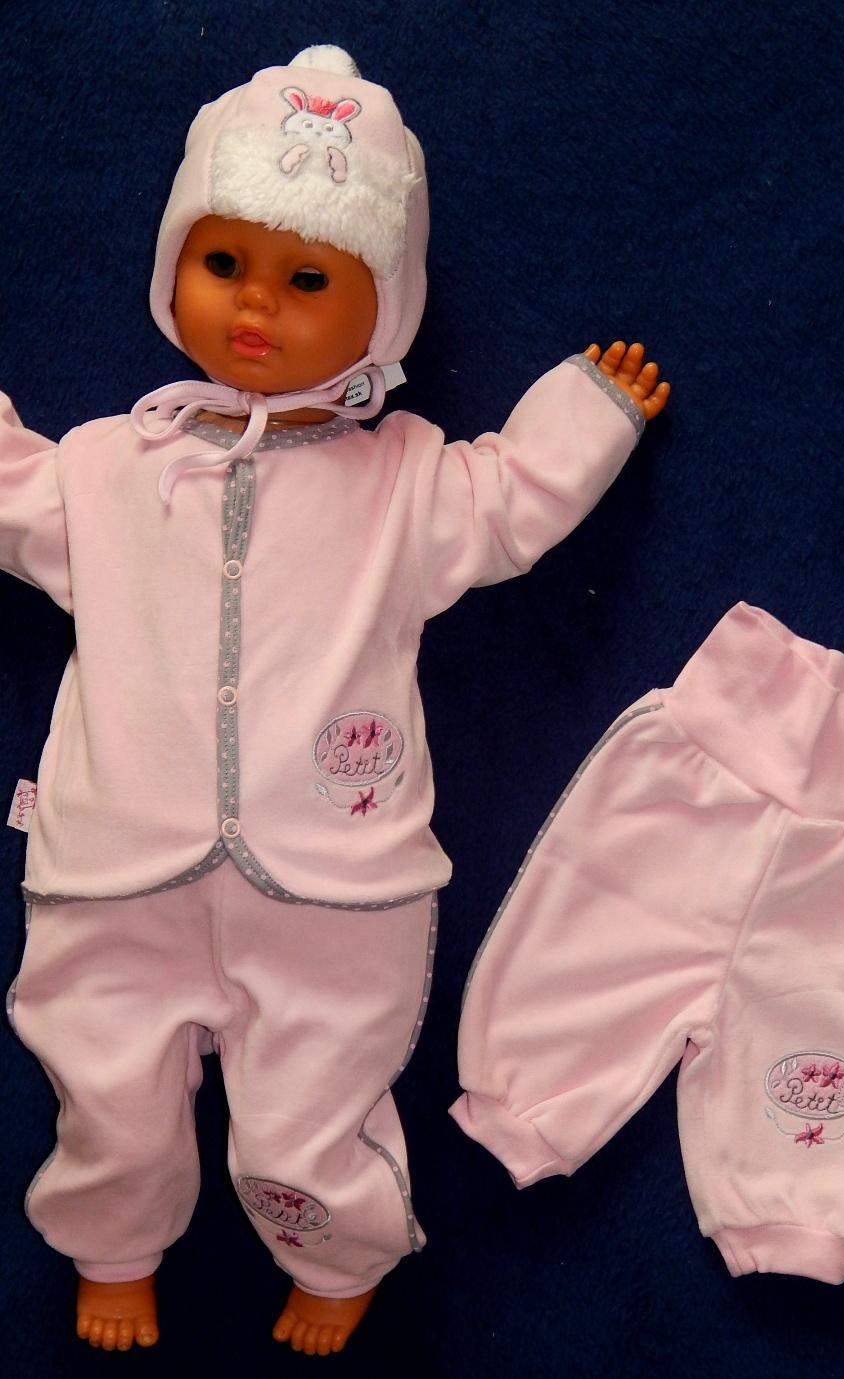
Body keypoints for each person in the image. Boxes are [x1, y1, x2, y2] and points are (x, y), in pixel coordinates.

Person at [0, 45, 668, 1355]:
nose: (257, 304)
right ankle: (114, 1248)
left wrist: (586, 416)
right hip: (113, 873)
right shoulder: (105, 470)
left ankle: (340, 1258)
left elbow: (508, 501)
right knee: (103, 1088)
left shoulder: (404, 482)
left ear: (382, 316)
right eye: (223, 262)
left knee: (311, 1114)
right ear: (172, 272)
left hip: (339, 887)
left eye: (308, 281)